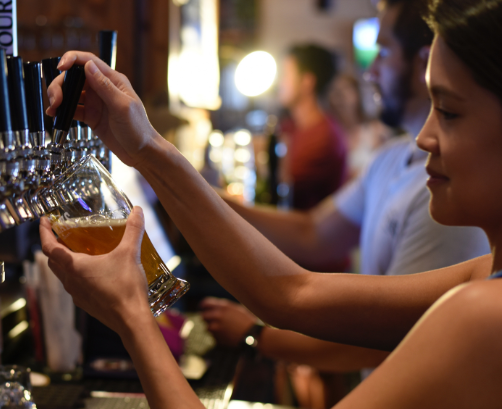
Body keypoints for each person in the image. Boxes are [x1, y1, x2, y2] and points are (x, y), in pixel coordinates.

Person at [40, 0, 502, 409]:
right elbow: (291, 293)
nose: (424, 136)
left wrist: (132, 318)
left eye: (450, 112)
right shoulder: (483, 277)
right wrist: (144, 149)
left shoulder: (485, 315)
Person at [202, 0, 489, 377]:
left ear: (423, 61)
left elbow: (389, 337)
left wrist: (257, 337)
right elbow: (312, 233)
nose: (369, 71)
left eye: (383, 51)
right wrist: (205, 197)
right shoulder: (391, 157)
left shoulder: (448, 192)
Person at [277, 44, 347, 211]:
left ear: (307, 82)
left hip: (300, 232)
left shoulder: (325, 137)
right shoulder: (290, 125)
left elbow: (280, 184)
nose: (280, 83)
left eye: (286, 75)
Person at [327, 73, 391, 177]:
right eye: (336, 92)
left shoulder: (375, 130)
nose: (340, 97)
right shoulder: (330, 138)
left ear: (357, 93)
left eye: (346, 89)